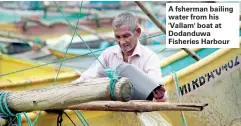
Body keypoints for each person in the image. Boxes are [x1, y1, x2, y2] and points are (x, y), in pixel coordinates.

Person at [73, 12, 167, 102]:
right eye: (118, 37)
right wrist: (73, 88)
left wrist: (160, 95)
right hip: (112, 107)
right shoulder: (108, 54)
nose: (122, 42)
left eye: (126, 36)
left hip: (139, 108)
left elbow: (159, 91)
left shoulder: (149, 57)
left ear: (137, 32)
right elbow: (88, 77)